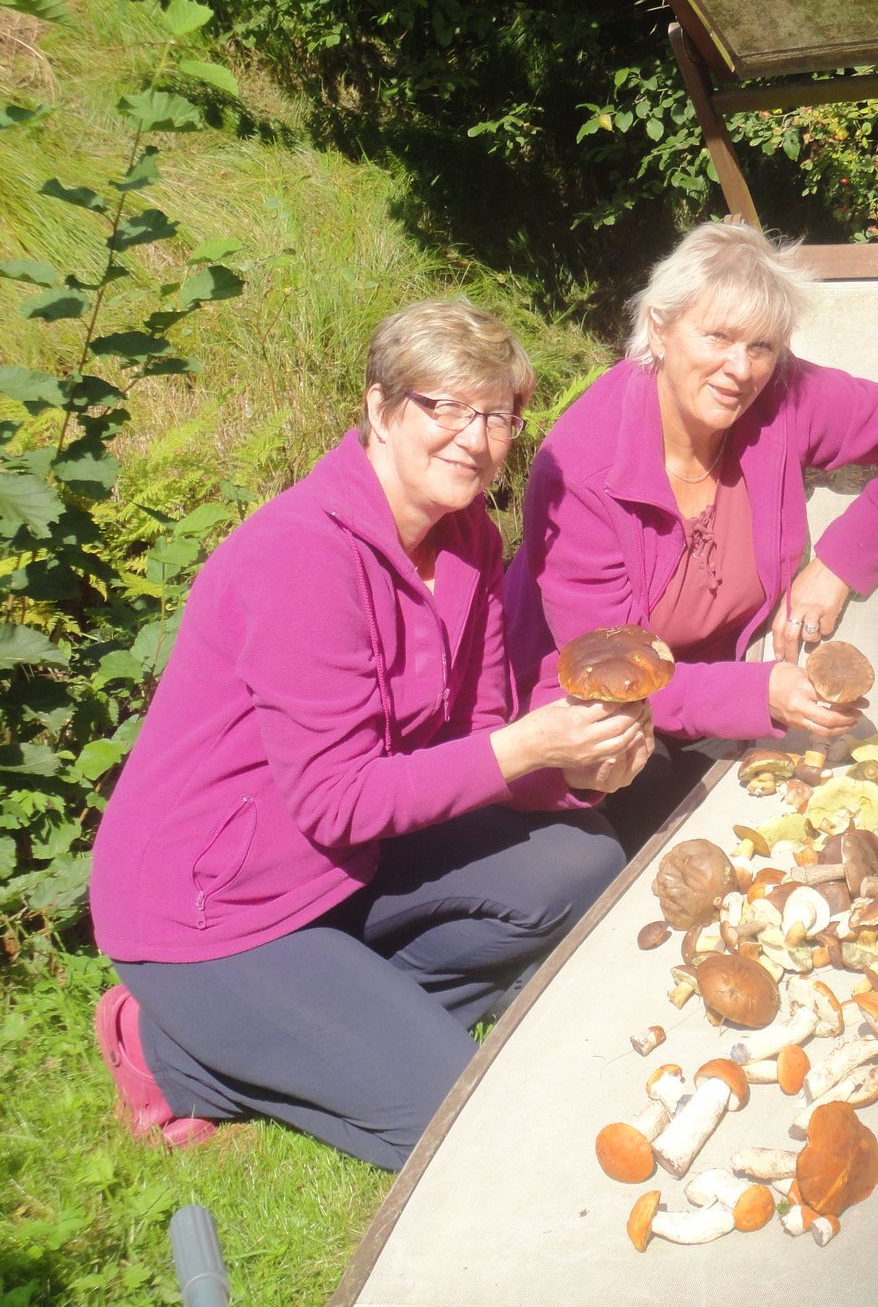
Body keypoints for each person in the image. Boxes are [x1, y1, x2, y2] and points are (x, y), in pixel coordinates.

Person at [90, 301, 652, 1167]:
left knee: (582, 860)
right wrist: (536, 745)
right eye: (447, 407)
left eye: (499, 415)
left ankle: (327, 1021)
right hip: (213, 910)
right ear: (381, 408)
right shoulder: (303, 556)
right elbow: (338, 798)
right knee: (459, 1131)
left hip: (343, 869)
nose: (476, 437)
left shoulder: (467, 537)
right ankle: (178, 1050)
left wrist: (587, 766)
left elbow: (479, 736)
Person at [505, 221, 878, 845]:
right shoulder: (582, 468)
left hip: (716, 694)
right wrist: (761, 693)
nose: (740, 368)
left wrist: (838, 564)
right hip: (591, 720)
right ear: (659, 328)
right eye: (719, 337)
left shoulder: (783, 395)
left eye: (761, 346)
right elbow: (605, 676)